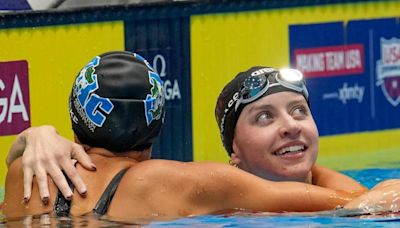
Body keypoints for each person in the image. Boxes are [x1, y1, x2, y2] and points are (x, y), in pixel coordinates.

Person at [3, 51, 358, 221]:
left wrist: (34, 135)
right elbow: (350, 203)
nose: (289, 125)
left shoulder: (26, 173)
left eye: (299, 111)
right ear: (158, 125)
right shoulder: (175, 180)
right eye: (265, 116)